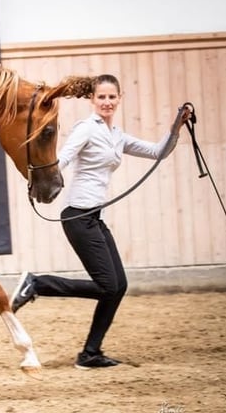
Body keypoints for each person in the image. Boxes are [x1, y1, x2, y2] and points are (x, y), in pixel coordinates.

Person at [10, 74, 186, 369]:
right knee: (107, 285)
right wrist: (38, 178)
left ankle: (90, 353)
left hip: (95, 217)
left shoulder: (116, 134)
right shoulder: (85, 129)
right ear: (92, 100)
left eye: (111, 97)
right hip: (78, 216)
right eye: (101, 97)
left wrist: (176, 128)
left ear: (119, 99)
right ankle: (37, 284)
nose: (106, 102)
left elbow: (158, 153)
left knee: (118, 286)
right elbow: (62, 159)